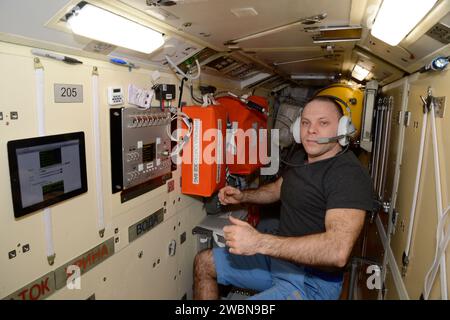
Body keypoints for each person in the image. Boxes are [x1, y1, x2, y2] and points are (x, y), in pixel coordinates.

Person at [193, 96, 374, 300]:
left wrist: (259, 242)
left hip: (312, 281)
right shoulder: (301, 156)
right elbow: (278, 189)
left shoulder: (348, 175)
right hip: (280, 261)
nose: (311, 130)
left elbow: (337, 251)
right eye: (305, 123)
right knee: (204, 262)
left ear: (342, 129)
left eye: (323, 123)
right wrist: (243, 196)